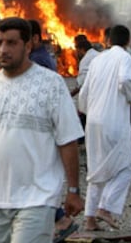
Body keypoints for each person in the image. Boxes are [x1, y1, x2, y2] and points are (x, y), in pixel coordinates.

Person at [0, 17, 84, 243]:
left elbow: (68, 141)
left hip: (38, 199)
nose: (3, 49)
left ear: (28, 45)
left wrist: (74, 190)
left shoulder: (52, 85)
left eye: (11, 43)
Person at [79, 25, 131, 231]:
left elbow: (84, 93)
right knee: (127, 166)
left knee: (96, 171)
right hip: (114, 122)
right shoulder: (124, 57)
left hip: (93, 121)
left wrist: (88, 112)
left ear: (108, 40)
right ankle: (106, 207)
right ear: (127, 41)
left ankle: (89, 219)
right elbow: (125, 79)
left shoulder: (97, 60)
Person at [28, 19, 80, 242]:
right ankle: (58, 219)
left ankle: (60, 219)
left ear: (35, 39)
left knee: (34, 180)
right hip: (37, 131)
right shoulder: (41, 58)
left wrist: (74, 190)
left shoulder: (38, 61)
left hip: (39, 131)